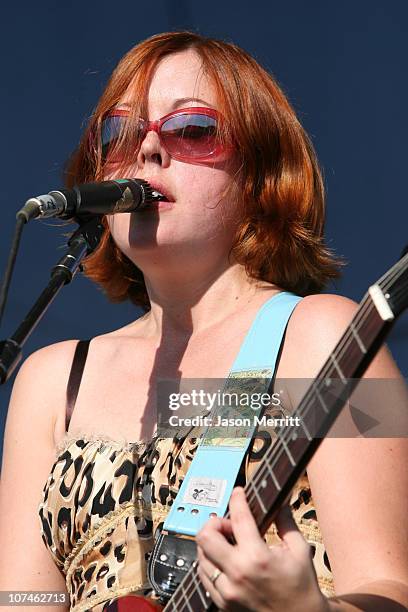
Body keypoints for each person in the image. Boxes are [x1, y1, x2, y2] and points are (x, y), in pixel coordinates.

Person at [0, 30, 407, 612]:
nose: (146, 149)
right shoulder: (52, 380)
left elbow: (393, 587)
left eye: (191, 128)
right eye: (118, 131)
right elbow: (20, 595)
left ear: (260, 175)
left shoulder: (325, 336)